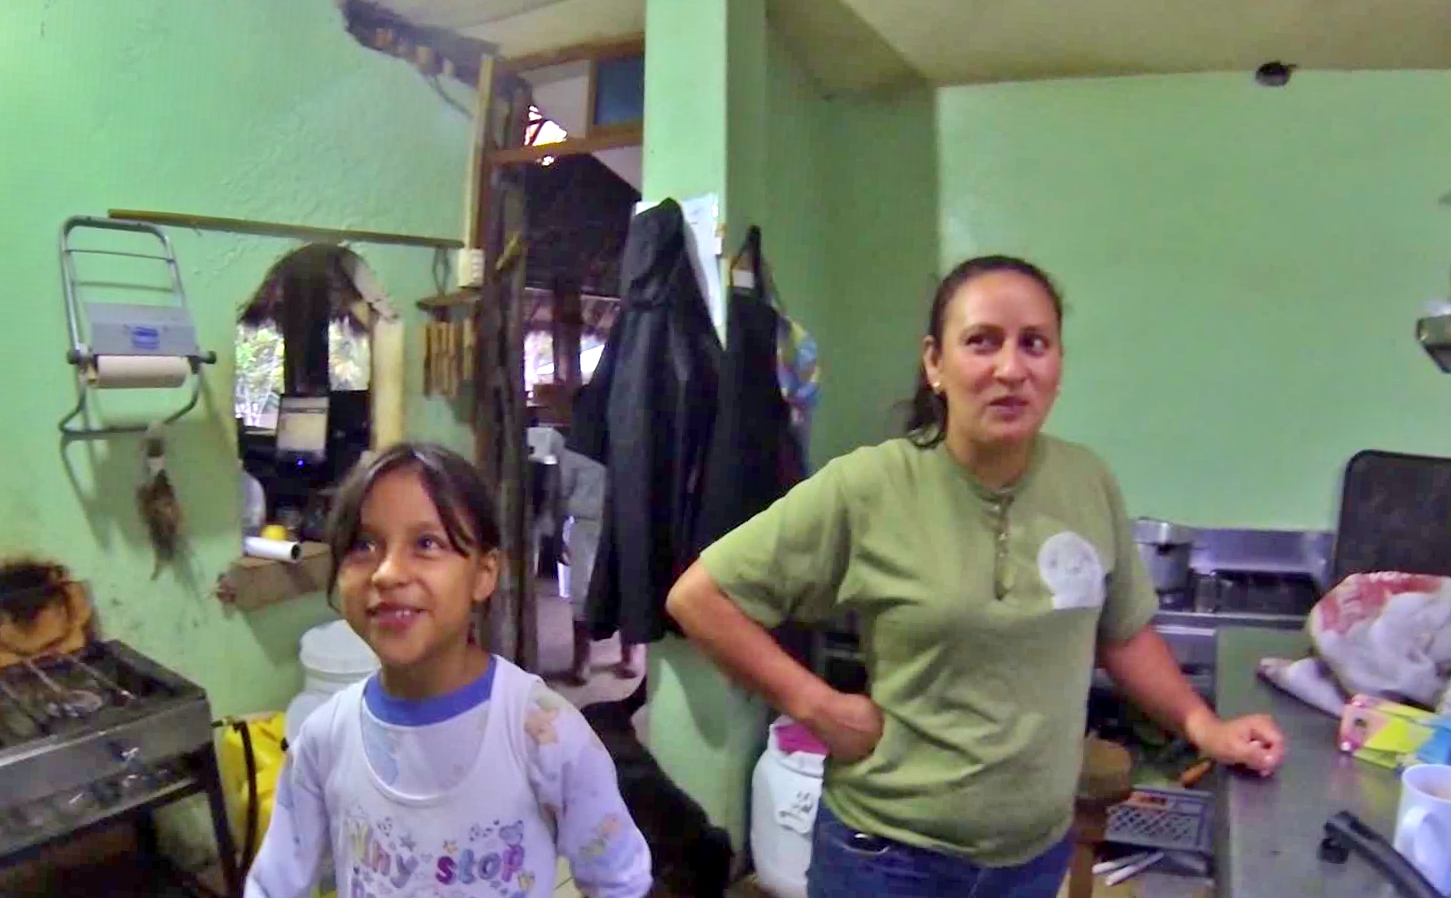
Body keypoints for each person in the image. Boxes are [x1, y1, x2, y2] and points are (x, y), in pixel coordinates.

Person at [666, 256, 1286, 898]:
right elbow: (700, 599)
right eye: (982, 341)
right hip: (887, 857)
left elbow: (1123, 633)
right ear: (936, 363)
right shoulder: (870, 486)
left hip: (1034, 854)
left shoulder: (1087, 481)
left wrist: (1201, 724)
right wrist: (816, 705)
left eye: (1034, 344)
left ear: (1058, 365)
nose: (1011, 369)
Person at [244, 442, 652, 898]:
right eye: (364, 545)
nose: (387, 572)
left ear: (484, 573)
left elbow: (620, 880)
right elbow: (273, 885)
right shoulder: (323, 740)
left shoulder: (545, 734)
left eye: (427, 543)